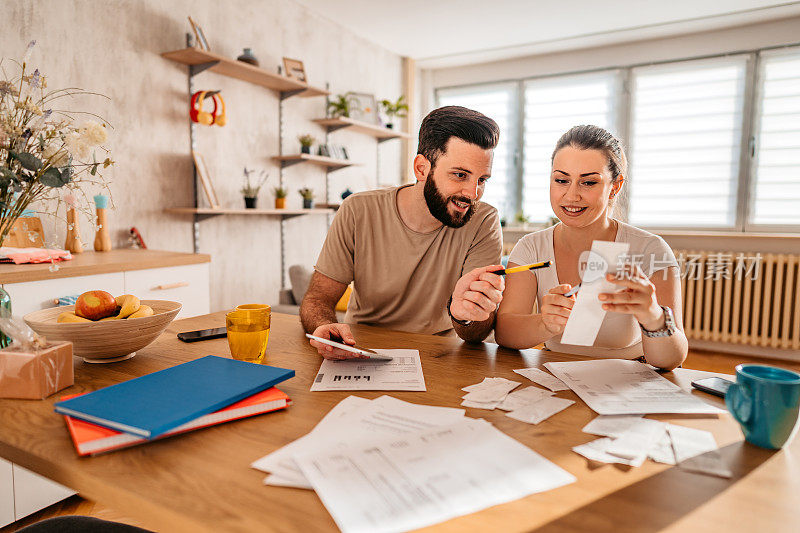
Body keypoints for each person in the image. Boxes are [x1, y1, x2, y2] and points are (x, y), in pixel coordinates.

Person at [301, 106, 505, 358]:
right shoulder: (358, 210)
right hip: (360, 347)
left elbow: (475, 334)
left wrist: (464, 315)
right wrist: (323, 326)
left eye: (482, 180)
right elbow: (318, 298)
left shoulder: (483, 220)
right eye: (460, 175)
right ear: (421, 169)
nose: (472, 194)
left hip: (439, 354)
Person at [495, 125, 687, 370]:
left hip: (627, 380)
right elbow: (505, 333)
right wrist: (545, 323)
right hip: (555, 376)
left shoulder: (651, 249)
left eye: (588, 183)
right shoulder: (531, 248)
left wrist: (653, 316)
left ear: (615, 187)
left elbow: (672, 359)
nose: (571, 195)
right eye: (561, 180)